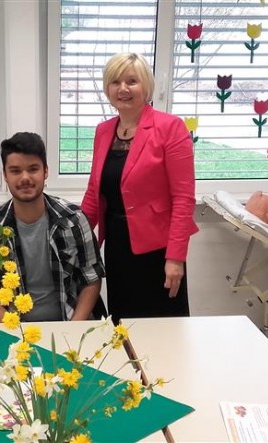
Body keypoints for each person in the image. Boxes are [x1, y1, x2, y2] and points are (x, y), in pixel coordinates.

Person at [81, 53, 198, 323]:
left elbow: (183, 199)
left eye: (131, 81)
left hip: (158, 252)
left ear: (146, 86)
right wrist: (76, 240)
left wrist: (175, 258)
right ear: (107, 88)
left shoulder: (170, 127)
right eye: (115, 82)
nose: (123, 88)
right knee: (123, 324)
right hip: (117, 246)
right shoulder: (103, 131)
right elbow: (94, 194)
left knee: (162, 328)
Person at [0, 132, 106, 322]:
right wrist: (17, 332)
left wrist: (73, 328)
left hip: (70, 322)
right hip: (15, 328)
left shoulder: (73, 219)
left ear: (46, 171)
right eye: (15, 171)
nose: (25, 178)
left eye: (33, 169)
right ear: (5, 176)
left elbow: (91, 279)